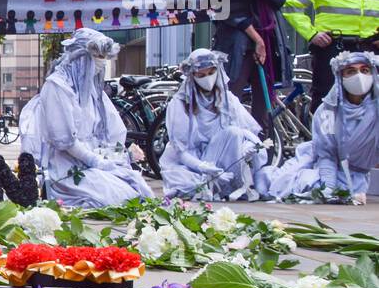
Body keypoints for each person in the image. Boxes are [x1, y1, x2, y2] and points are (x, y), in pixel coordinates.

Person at [19, 29, 152, 208]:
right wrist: (96, 162)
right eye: (97, 56)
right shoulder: (57, 87)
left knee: (138, 189)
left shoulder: (92, 89)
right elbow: (64, 141)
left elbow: (112, 129)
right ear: (80, 56)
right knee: (116, 197)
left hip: (94, 160)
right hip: (66, 167)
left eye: (105, 57)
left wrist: (115, 156)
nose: (101, 63)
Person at [268, 51, 379, 204]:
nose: (359, 76)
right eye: (351, 71)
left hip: (358, 177)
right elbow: (328, 155)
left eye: (364, 70)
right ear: (341, 77)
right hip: (327, 170)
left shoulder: (376, 111)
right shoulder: (328, 111)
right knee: (305, 185)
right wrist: (328, 188)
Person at [160, 49, 270, 200]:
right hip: (195, 162)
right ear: (192, 76)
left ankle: (231, 182)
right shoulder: (180, 104)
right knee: (189, 185)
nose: (207, 79)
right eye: (201, 75)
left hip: (226, 158)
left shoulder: (227, 99)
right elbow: (181, 150)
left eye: (211, 73)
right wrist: (202, 166)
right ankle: (211, 182)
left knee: (234, 133)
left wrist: (247, 148)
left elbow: (244, 131)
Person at [216, 0, 291, 130]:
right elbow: (230, 12)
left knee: (264, 101)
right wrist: (257, 40)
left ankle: (262, 146)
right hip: (239, 46)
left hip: (267, 47)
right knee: (231, 97)